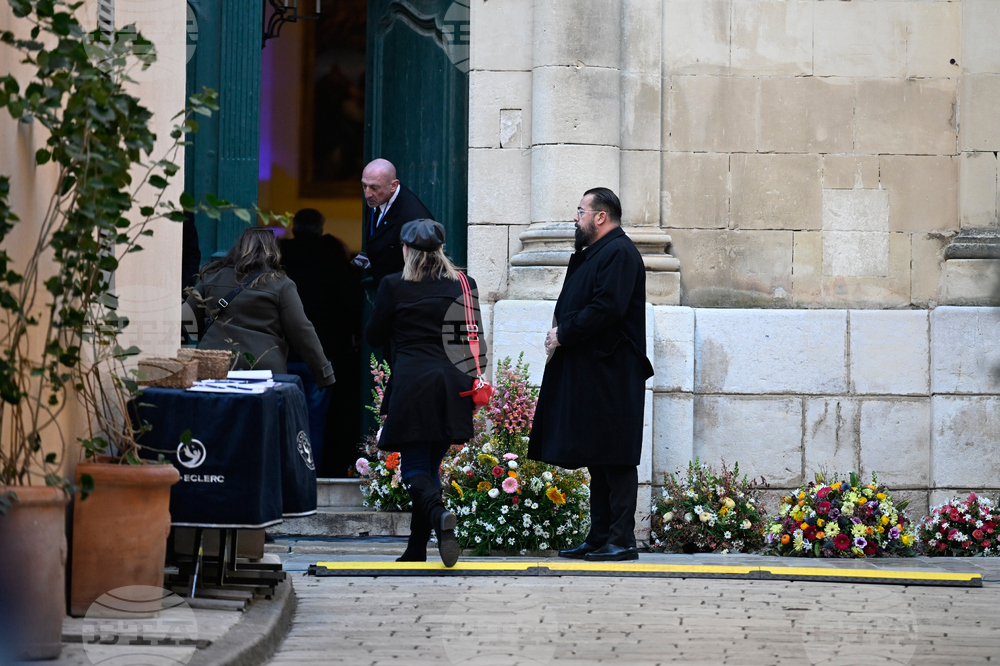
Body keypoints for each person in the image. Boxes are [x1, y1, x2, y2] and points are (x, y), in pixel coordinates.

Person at [527, 188, 654, 563]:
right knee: (598, 457)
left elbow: (607, 307)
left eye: (581, 211)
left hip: (613, 372)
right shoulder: (599, 252)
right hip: (596, 371)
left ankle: (622, 540)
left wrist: (563, 333)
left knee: (615, 457)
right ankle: (600, 537)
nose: (575, 217)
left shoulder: (619, 251)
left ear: (601, 216)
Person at [365, 219, 485, 568]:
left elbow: (374, 335)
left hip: (413, 382)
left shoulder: (393, 285)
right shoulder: (464, 283)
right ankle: (417, 548)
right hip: (453, 384)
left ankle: (439, 514)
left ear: (406, 250)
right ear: (441, 250)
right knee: (430, 466)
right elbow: (474, 337)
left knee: (414, 468)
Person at [183, 227, 336, 389]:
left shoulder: (211, 276)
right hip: (263, 369)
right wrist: (324, 374)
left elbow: (186, 318)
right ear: (273, 250)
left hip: (213, 364)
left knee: (214, 413)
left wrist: (212, 336)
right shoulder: (281, 284)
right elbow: (302, 332)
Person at [280, 209, 362, 475]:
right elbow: (349, 304)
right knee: (315, 419)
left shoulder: (280, 258)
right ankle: (308, 475)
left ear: (293, 228)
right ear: (321, 228)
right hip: (322, 351)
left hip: (281, 351)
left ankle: (282, 473)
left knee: (278, 416)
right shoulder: (333, 258)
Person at [360, 158, 433, 285]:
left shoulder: (414, 217)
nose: (367, 194)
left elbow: (420, 271)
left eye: (374, 187)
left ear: (393, 186)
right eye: (364, 185)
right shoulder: (376, 198)